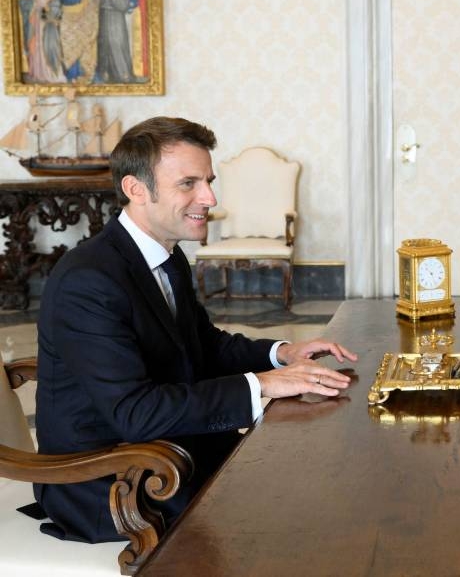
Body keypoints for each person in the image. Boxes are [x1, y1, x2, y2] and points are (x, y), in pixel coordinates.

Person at [34, 116, 358, 544]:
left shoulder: (167, 256)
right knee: (290, 510)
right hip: (110, 482)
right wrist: (263, 384)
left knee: (312, 474)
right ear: (136, 189)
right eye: (188, 183)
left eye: (208, 181)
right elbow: (135, 413)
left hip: (169, 452)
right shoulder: (88, 280)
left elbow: (203, 346)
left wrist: (281, 355)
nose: (209, 197)